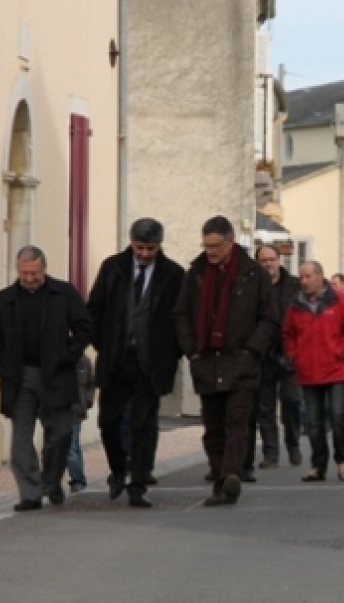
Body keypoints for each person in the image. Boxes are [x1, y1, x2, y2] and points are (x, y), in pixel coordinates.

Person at [173, 216, 279, 507]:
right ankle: (220, 476)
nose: (210, 251)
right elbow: (180, 314)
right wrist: (191, 349)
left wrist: (252, 350)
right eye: (206, 245)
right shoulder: (195, 273)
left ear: (230, 243)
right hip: (207, 360)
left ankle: (230, 475)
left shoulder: (253, 274)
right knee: (213, 426)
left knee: (237, 420)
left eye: (216, 246)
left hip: (241, 361)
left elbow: (269, 317)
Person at [87, 217, 185, 508]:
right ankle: (118, 469)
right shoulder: (113, 268)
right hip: (116, 360)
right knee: (109, 422)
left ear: (159, 246)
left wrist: (173, 353)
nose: (144, 254)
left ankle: (138, 483)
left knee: (144, 424)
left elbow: (180, 319)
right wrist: (103, 344)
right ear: (131, 242)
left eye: (150, 249)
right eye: (139, 247)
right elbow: (95, 310)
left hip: (151, 363)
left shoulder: (173, 274)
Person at [0, 245, 92, 511]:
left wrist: (68, 355)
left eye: (34, 273)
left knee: (61, 433)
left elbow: (84, 326)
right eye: (24, 273)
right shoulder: (4, 299)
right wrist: (3, 366)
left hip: (57, 373)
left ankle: (51, 480)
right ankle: (30, 494)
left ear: (44, 268)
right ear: (17, 270)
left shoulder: (63, 293)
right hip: (19, 376)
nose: (30, 278)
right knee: (20, 441)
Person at [284, 261, 344, 482]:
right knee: (313, 422)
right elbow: (288, 334)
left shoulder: (340, 300)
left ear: (320, 277)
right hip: (308, 371)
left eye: (308, 276)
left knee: (338, 416)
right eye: (301, 277)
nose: (303, 281)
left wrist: (340, 350)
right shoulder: (295, 305)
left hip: (336, 369)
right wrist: (295, 355)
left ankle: (342, 460)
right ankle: (318, 465)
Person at [254, 245, 303, 469]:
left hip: (290, 353)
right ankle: (270, 453)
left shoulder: (294, 286)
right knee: (265, 407)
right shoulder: (252, 285)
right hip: (263, 354)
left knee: (292, 401)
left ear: (279, 260)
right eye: (263, 260)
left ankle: (293, 445)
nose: (268, 264)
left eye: (271, 259)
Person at [66, 354, 95, 494]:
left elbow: (91, 383)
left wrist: (88, 401)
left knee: (72, 447)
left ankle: (78, 480)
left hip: (77, 409)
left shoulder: (84, 361)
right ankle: (77, 480)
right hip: (61, 408)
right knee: (70, 446)